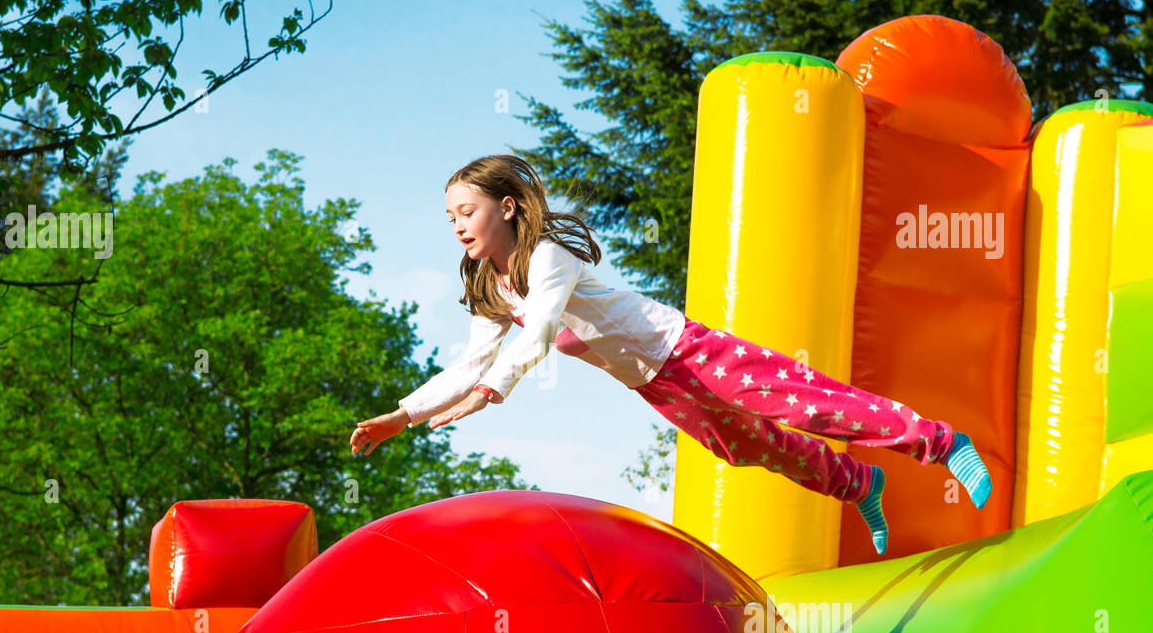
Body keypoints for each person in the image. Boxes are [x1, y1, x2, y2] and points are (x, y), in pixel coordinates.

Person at [349, 154, 991, 554]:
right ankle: (856, 482)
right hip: (654, 384)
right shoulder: (492, 284)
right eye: (449, 217)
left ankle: (939, 442)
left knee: (803, 405)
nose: (458, 224)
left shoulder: (547, 257)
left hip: (685, 350)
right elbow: (470, 363)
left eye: (468, 210)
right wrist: (401, 416)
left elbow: (540, 329)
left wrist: (493, 392)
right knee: (746, 446)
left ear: (506, 207)